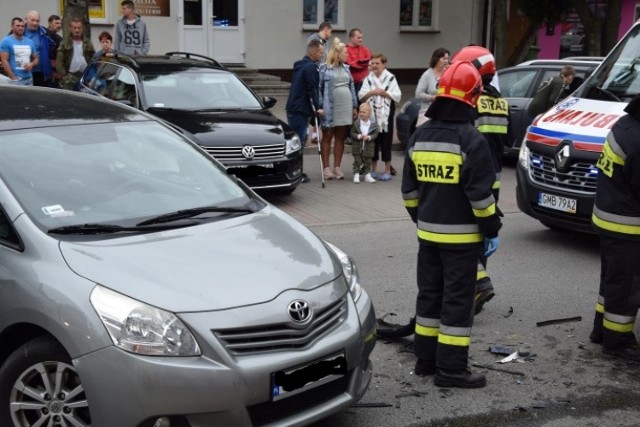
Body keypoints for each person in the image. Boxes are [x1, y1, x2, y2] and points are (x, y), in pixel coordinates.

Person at [401, 61, 501, 388]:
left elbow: (409, 193)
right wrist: (492, 229)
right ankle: (452, 370)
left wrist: (424, 219)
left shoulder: (419, 136)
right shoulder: (471, 139)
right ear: (472, 98)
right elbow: (481, 198)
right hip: (461, 242)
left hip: (427, 236)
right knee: (457, 302)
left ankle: (426, 361)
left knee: (429, 297)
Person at [451, 45, 512, 314]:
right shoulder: (501, 102)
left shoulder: (472, 101)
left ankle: (478, 285)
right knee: (483, 233)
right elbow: (506, 142)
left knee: (464, 235)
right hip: (494, 182)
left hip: (470, 179)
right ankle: (477, 286)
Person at [589, 94, 640, 362]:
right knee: (627, 285)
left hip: (608, 217)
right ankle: (617, 341)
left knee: (611, 280)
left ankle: (601, 329)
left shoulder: (625, 124)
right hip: (628, 226)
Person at [318, 38, 358, 180]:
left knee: (340, 136)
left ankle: (337, 167)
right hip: (330, 106)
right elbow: (319, 88)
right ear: (338, 53)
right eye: (345, 53)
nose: (348, 55)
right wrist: (320, 106)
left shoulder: (346, 68)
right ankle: (326, 168)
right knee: (328, 136)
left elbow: (351, 87)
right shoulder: (324, 68)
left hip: (345, 106)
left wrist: (354, 106)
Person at [286, 39, 325, 184]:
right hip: (300, 109)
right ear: (314, 52)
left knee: (296, 140)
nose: (322, 55)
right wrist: (318, 107)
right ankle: (296, 171)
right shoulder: (310, 68)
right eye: (320, 52)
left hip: (293, 107)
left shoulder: (300, 65)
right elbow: (312, 88)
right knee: (298, 142)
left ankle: (296, 170)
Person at [358, 53, 401, 182]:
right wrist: (372, 92)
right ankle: (374, 169)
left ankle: (387, 170)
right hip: (371, 114)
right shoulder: (369, 78)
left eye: (378, 63)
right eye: (373, 63)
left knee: (386, 141)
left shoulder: (391, 78)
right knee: (373, 142)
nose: (375, 66)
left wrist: (384, 93)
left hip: (386, 114)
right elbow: (361, 95)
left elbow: (397, 95)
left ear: (384, 64)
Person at [56, 17, 95, 90]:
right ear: (70, 29)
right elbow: (59, 60)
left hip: (85, 76)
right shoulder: (65, 43)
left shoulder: (88, 43)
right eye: (74, 28)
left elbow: (93, 58)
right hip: (70, 76)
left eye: (79, 28)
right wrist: (64, 75)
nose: (77, 30)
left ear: (82, 28)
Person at [415, 48, 450, 126]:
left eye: (447, 59)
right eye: (444, 59)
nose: (446, 61)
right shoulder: (427, 75)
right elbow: (418, 94)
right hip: (428, 111)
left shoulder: (450, 73)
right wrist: (432, 98)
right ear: (436, 59)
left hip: (445, 111)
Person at [0, 17, 38, 86]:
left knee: (30, 97)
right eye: (18, 26)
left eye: (22, 26)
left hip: (29, 78)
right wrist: (13, 78)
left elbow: (36, 58)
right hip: (16, 79)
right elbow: (4, 60)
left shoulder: (30, 42)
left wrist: (31, 64)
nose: (20, 28)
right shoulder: (6, 41)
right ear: (12, 26)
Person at [350, 102, 379, 183]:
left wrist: (369, 137)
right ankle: (356, 174)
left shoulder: (373, 125)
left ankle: (367, 175)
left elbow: (375, 134)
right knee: (357, 161)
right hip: (357, 147)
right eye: (360, 112)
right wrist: (359, 136)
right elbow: (352, 133)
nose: (361, 114)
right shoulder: (356, 124)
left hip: (368, 147)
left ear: (369, 113)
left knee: (368, 161)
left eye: (364, 112)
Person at [23, 10, 52, 87]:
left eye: (37, 21)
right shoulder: (19, 30)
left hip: (41, 72)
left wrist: (53, 61)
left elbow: (57, 44)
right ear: (26, 19)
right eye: (32, 20)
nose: (35, 23)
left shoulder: (44, 32)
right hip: (23, 72)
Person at [345, 28, 371, 96]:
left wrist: (356, 63)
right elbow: (350, 65)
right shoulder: (345, 50)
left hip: (365, 83)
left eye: (361, 38)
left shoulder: (365, 49)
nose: (361, 40)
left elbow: (369, 62)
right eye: (358, 38)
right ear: (351, 38)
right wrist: (362, 64)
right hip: (351, 84)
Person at [46, 14, 63, 87]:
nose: (59, 25)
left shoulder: (60, 39)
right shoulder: (44, 35)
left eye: (60, 23)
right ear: (50, 23)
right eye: (56, 23)